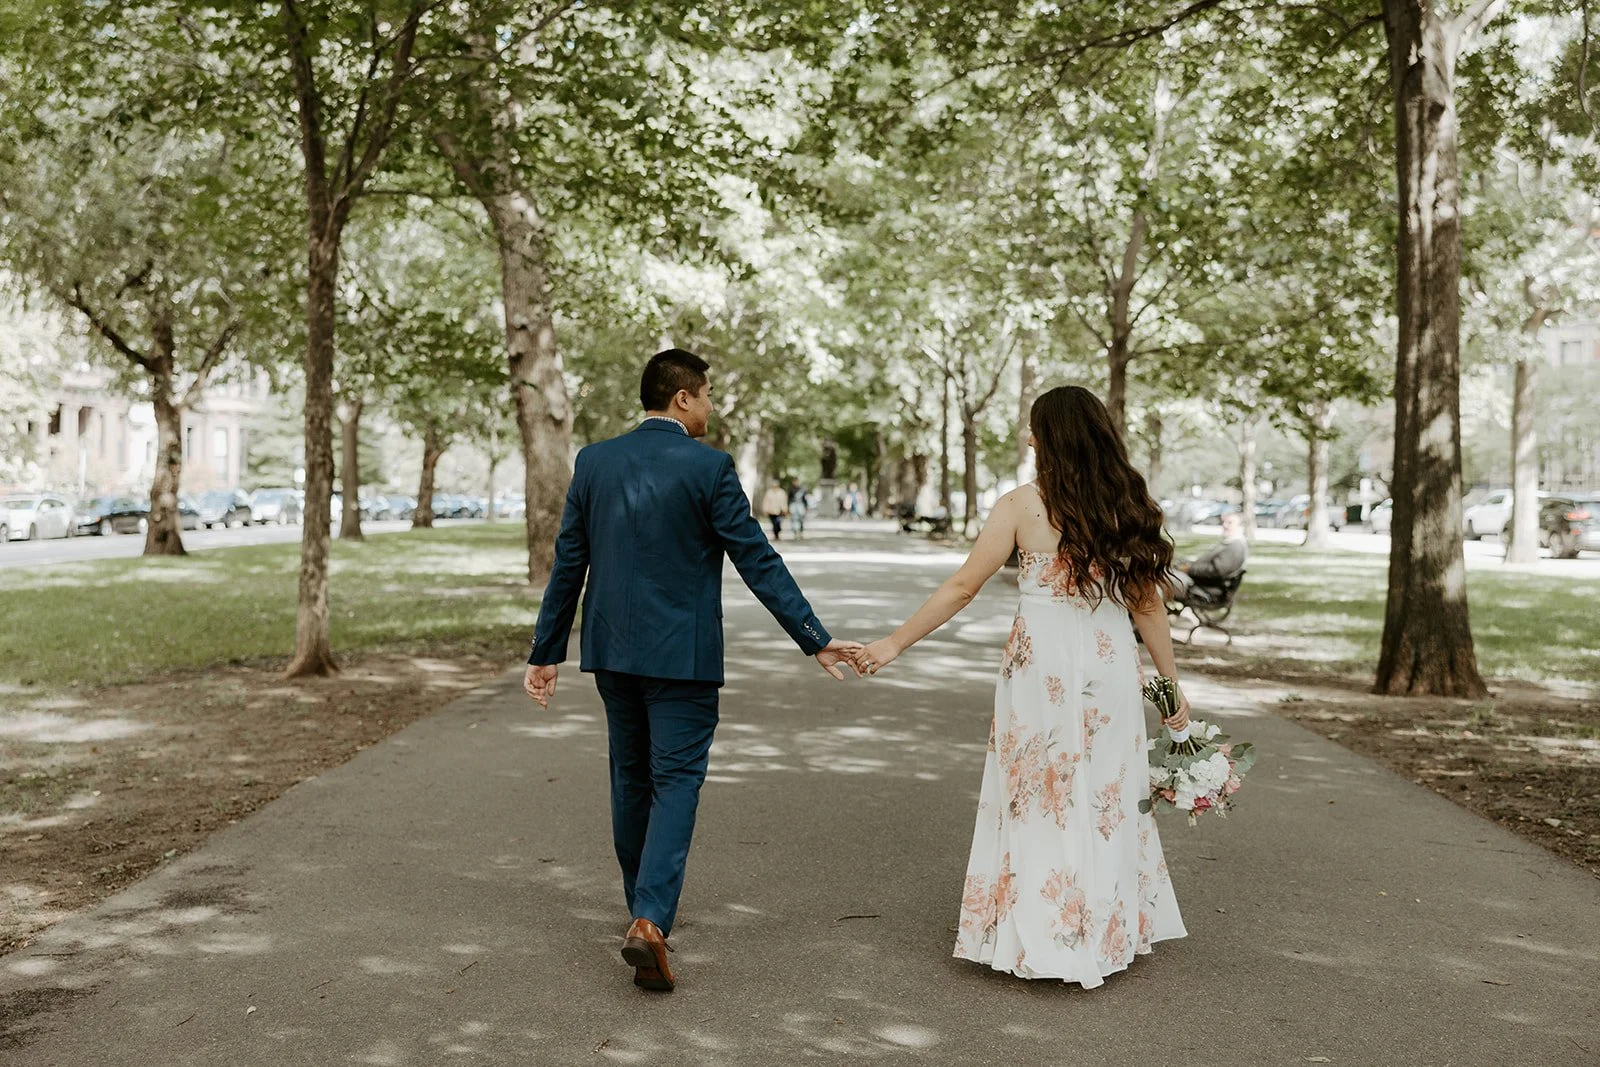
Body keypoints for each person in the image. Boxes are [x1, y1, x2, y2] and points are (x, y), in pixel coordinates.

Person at [523, 348, 864, 993]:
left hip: (612, 653)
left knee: (630, 777)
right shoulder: (709, 469)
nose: (711, 408)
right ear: (682, 398)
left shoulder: (595, 462)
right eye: (706, 396)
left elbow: (570, 562)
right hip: (683, 656)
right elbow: (757, 559)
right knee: (675, 780)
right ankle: (650, 921)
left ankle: (640, 911)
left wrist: (546, 652)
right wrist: (813, 638)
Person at [851, 385, 1189, 987]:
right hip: (1109, 668)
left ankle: (1045, 933)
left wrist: (891, 644)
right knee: (1104, 796)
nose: (1029, 439)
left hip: (1041, 673)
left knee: (1038, 795)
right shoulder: (1127, 504)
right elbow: (1148, 607)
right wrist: (1170, 686)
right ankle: (1104, 933)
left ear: (1048, 439)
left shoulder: (1019, 506)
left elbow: (962, 588)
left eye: (1034, 430)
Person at [1166, 510, 1248, 601]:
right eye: (1224, 522)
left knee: (1163, 576)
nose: (1225, 525)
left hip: (1206, 587)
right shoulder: (1231, 543)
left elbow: (1215, 571)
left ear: (1240, 526)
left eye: (1230, 523)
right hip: (1202, 582)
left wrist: (1189, 569)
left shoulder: (1235, 547)